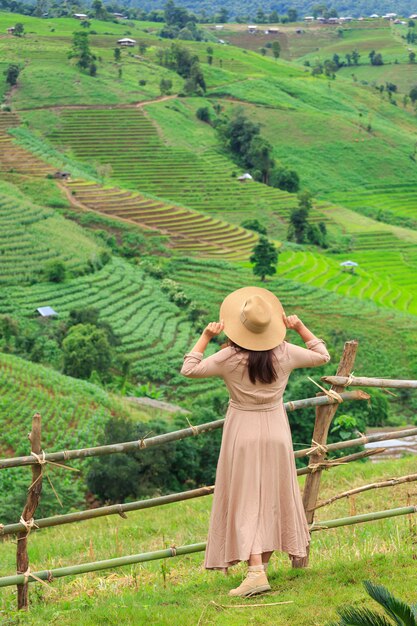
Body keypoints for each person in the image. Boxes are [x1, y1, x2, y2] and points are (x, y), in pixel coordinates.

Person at [180, 286, 330, 597]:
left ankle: (256, 572)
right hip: (276, 430)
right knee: (275, 493)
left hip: (242, 431)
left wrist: (206, 336)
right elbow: (322, 355)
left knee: (246, 497)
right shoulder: (285, 353)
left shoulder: (229, 357)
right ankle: (260, 565)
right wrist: (299, 326)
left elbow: (189, 368)